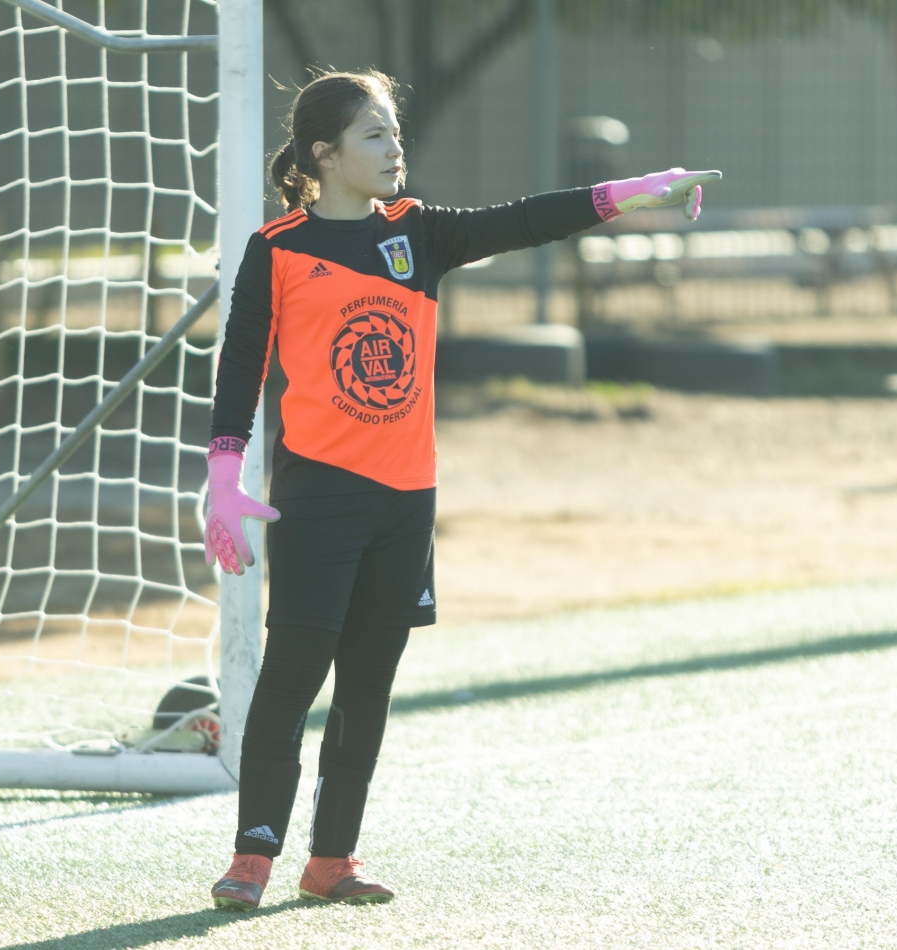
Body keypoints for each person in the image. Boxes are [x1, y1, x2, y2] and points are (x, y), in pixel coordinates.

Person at [204, 69, 720, 911]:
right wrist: (225, 478)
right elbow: (240, 365)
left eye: (394, 132)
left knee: (368, 683)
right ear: (324, 155)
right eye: (375, 135)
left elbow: (525, 220)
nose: (394, 147)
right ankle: (252, 856)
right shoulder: (280, 248)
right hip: (319, 498)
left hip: (407, 499)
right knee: (294, 674)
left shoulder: (420, 233)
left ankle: (331, 858)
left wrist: (638, 193)